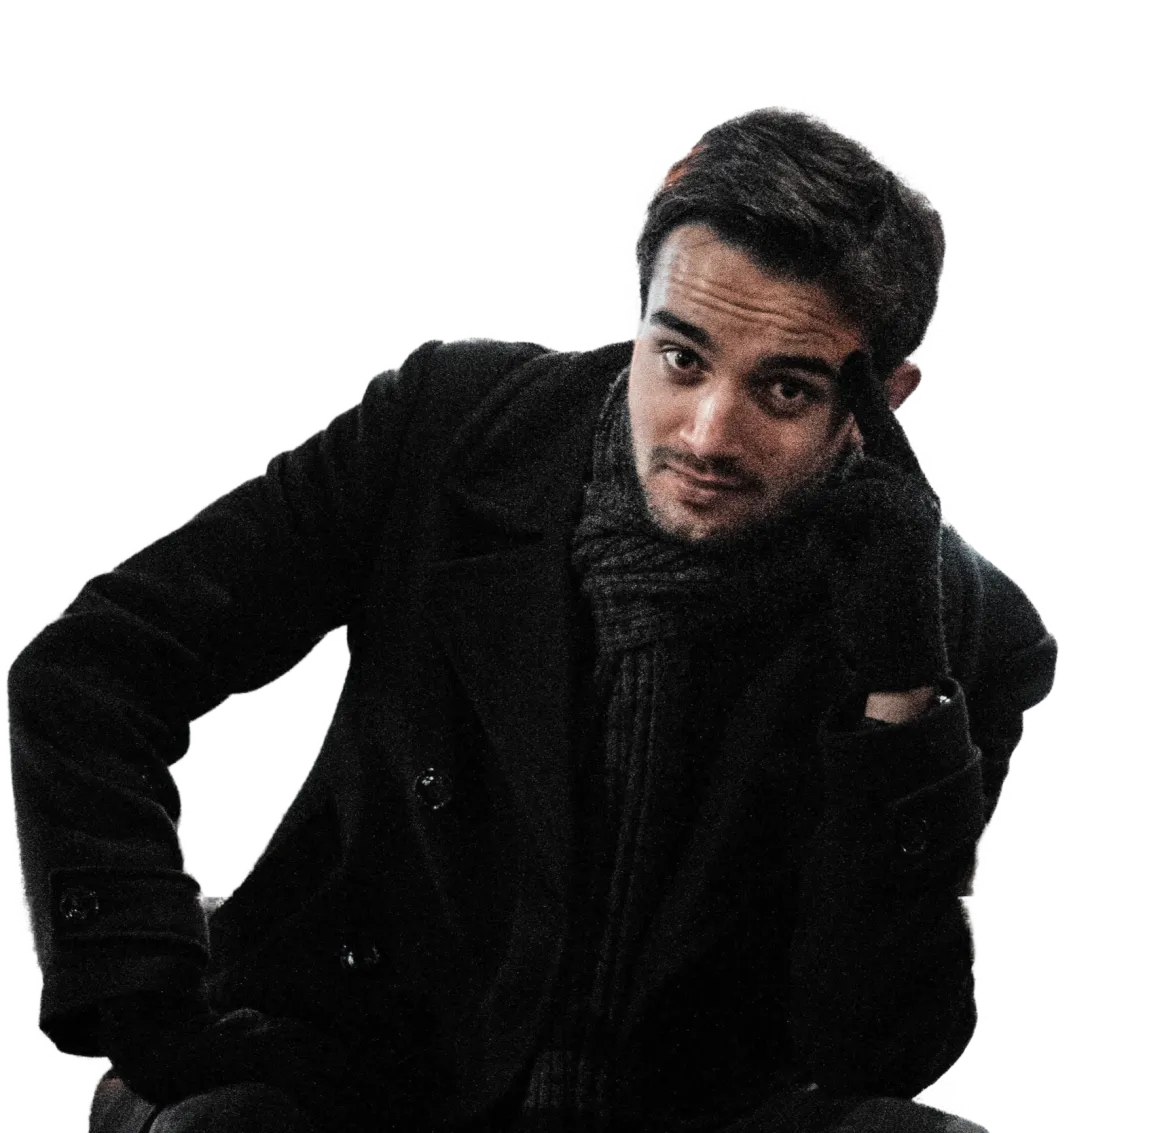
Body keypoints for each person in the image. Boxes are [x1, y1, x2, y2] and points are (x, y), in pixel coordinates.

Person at [8, 107, 1057, 1133]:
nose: (707, 433)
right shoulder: (451, 430)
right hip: (364, 1072)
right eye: (681, 357)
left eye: (782, 390)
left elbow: (875, 1050)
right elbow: (95, 669)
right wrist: (145, 1002)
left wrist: (899, 688)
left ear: (883, 398)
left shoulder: (963, 625)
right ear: (641, 318)